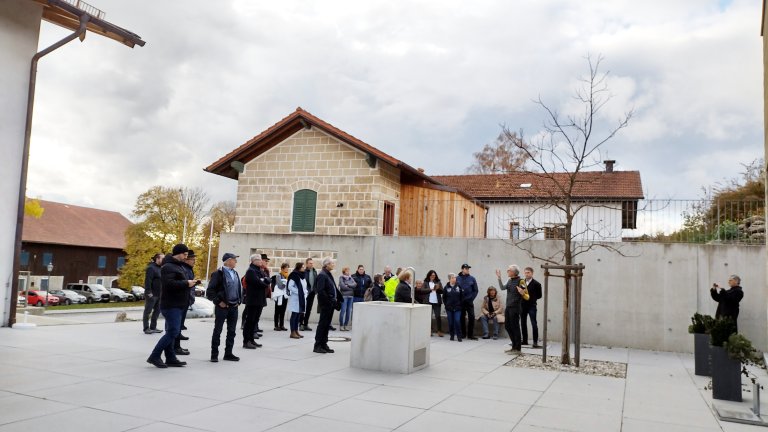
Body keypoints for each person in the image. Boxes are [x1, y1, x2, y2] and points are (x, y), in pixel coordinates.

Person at [146, 244, 195, 368]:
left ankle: (170, 357)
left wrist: (189, 283)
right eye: (184, 254)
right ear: (177, 253)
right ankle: (155, 356)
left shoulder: (177, 266)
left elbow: (176, 282)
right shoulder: (168, 266)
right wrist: (186, 283)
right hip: (171, 305)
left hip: (177, 304)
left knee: (171, 331)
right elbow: (169, 284)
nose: (186, 257)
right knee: (173, 332)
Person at [206, 252, 243, 362]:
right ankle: (214, 354)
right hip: (222, 307)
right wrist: (219, 302)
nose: (236, 261)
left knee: (232, 331)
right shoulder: (218, 274)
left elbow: (238, 289)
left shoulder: (235, 273)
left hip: (234, 306)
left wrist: (239, 301)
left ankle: (228, 353)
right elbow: (210, 291)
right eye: (234, 259)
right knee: (218, 330)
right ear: (228, 261)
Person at [173, 249, 197, 356]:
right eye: (192, 259)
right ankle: (176, 347)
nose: (194, 261)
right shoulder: (183, 268)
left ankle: (177, 344)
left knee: (179, 324)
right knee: (176, 325)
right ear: (186, 260)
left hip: (186, 298)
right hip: (181, 299)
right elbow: (184, 284)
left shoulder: (188, 268)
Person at [313, 257, 339, 354]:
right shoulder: (322, 275)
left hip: (330, 304)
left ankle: (324, 344)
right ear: (326, 264)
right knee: (322, 325)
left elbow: (333, 288)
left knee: (326, 325)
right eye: (332, 263)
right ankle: (318, 345)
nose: (333, 265)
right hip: (325, 304)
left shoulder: (328, 274)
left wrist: (337, 300)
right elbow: (321, 291)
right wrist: (329, 301)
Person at [497, 265, 525, 354]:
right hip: (508, 307)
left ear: (514, 272)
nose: (507, 271)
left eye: (509, 270)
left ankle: (518, 349)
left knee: (515, 327)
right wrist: (499, 278)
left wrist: (522, 292)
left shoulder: (521, 281)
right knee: (507, 326)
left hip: (515, 307)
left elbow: (525, 293)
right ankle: (514, 346)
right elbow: (502, 288)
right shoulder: (510, 280)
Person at [243, 255, 269, 349]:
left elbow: (267, 280)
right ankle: (246, 341)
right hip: (253, 300)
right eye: (258, 259)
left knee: (255, 321)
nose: (260, 261)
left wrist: (264, 281)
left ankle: (252, 340)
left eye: (260, 259)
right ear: (253, 261)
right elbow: (258, 283)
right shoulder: (251, 271)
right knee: (249, 321)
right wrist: (263, 282)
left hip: (259, 299)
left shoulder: (260, 271)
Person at [521, 266, 543, 348]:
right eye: (525, 272)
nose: (526, 274)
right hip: (522, 305)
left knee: (534, 323)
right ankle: (525, 340)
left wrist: (532, 298)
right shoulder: (522, 282)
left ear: (532, 273)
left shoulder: (537, 284)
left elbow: (539, 295)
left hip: (532, 306)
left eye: (528, 272)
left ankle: (535, 341)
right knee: (523, 323)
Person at [142, 253, 164, 335]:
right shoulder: (151, 268)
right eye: (162, 258)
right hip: (152, 295)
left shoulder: (161, 268)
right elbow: (148, 282)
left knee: (157, 311)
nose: (164, 260)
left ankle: (153, 327)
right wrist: (149, 293)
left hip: (159, 294)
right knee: (148, 311)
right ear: (157, 259)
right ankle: (146, 328)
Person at [457, 264, 479, 340]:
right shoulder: (457, 278)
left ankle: (470, 335)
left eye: (468, 269)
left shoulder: (472, 278)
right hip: (461, 302)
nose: (467, 270)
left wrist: (471, 298)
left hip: (469, 301)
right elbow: (455, 289)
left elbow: (475, 290)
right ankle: (463, 334)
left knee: (472, 317)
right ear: (462, 269)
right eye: (466, 268)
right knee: (461, 317)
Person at [287, 262, 307, 339]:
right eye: (302, 267)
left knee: (298, 315)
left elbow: (304, 287)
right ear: (298, 267)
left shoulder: (303, 276)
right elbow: (290, 286)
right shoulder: (294, 275)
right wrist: (299, 292)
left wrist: (305, 293)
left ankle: (296, 331)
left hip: (301, 298)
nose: (303, 268)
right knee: (294, 315)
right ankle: (292, 332)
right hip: (295, 298)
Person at [442, 273, 463, 342]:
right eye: (453, 278)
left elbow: (462, 296)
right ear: (450, 279)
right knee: (451, 322)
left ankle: (459, 336)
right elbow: (444, 298)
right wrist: (446, 305)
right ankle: (452, 335)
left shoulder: (459, 286)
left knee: (457, 321)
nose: (454, 279)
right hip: (449, 308)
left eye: (455, 277)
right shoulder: (446, 287)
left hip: (457, 308)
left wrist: (460, 304)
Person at [425, 270, 444, 337]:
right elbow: (422, 290)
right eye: (432, 275)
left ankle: (439, 331)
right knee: (428, 317)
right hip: (428, 302)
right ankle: (429, 331)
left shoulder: (438, 282)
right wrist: (430, 289)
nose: (433, 276)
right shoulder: (426, 282)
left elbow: (442, 291)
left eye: (434, 275)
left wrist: (437, 289)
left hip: (436, 302)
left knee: (438, 316)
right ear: (429, 276)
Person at [272, 263, 290, 331]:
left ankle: (281, 325)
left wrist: (286, 284)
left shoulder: (288, 276)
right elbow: (280, 285)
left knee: (283, 310)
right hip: (279, 296)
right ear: (282, 268)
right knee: (277, 311)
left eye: (287, 268)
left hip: (285, 295)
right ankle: (276, 325)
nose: (287, 269)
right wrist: (285, 284)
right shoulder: (278, 275)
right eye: (286, 268)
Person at [301, 257, 317, 331]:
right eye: (310, 263)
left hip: (312, 292)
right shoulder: (304, 272)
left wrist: (315, 290)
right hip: (306, 292)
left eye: (312, 263)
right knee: (303, 308)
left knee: (309, 309)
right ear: (307, 264)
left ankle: (305, 324)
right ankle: (301, 324)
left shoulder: (314, 271)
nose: (312, 264)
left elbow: (316, 281)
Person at [338, 267, 357, 331]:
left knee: (349, 311)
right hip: (344, 296)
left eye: (349, 271)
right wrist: (350, 286)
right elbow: (343, 287)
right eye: (347, 271)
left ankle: (346, 325)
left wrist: (348, 285)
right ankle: (341, 325)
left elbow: (355, 285)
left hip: (351, 296)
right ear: (344, 272)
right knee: (343, 311)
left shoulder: (351, 278)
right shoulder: (341, 278)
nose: (348, 272)